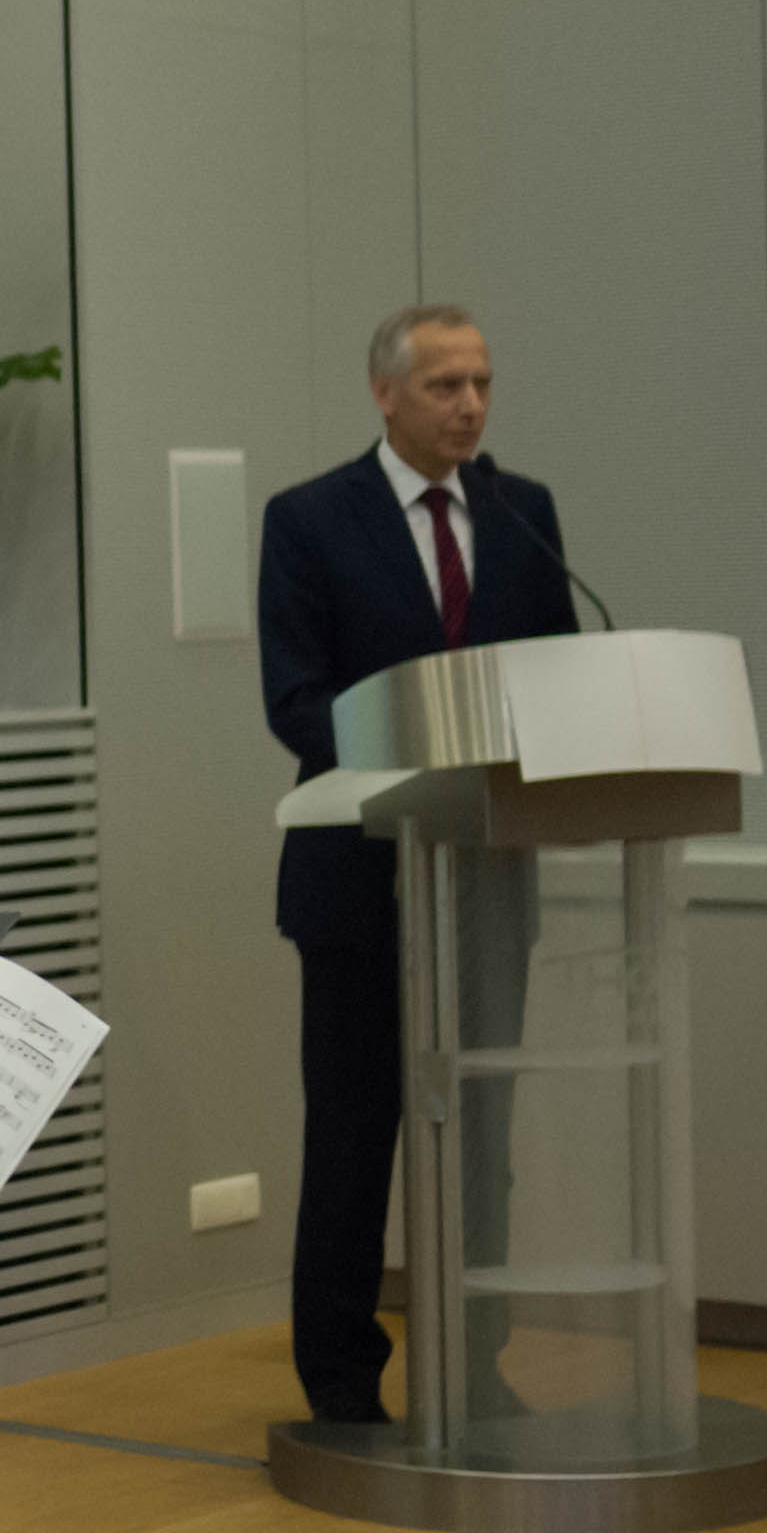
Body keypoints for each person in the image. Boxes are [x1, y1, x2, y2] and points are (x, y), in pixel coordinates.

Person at [256, 306, 579, 1425]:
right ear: (385, 394)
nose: (470, 404)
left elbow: (553, 679)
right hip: (361, 881)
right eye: (445, 384)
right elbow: (295, 701)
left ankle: (468, 1359)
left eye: (482, 381)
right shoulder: (307, 519)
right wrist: (429, 745)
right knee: (353, 1140)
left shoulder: (518, 510)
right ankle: (341, 1383)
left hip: (485, 880)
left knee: (477, 1134)